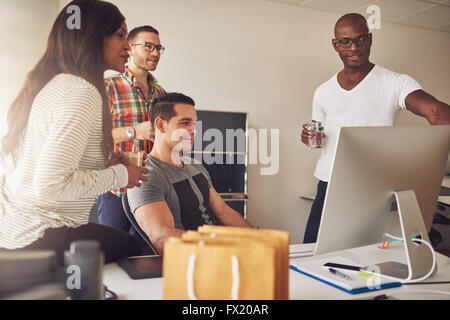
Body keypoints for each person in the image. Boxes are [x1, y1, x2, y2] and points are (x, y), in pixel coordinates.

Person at [0, 0, 149, 264]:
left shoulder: (55, 84)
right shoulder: (82, 92)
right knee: (134, 249)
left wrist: (106, 163)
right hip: (37, 234)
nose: (128, 46)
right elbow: (49, 186)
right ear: (91, 36)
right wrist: (120, 174)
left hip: (12, 230)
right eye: (120, 35)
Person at [301, 13, 450, 244]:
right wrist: (312, 137)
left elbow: (435, 112)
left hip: (372, 188)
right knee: (313, 250)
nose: (354, 47)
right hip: (328, 184)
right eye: (345, 41)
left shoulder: (395, 82)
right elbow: (319, 139)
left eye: (360, 39)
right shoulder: (323, 91)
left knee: (366, 254)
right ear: (335, 44)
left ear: (370, 39)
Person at [127, 93, 253, 254]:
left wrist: (260, 241)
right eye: (185, 123)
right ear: (160, 125)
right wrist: (221, 245)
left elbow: (224, 212)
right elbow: (162, 237)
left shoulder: (195, 165)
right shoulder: (145, 175)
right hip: (191, 259)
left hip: (216, 251)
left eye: (194, 124)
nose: (193, 131)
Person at [96, 25, 165, 249]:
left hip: (149, 189)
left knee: (147, 255)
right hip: (116, 189)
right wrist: (134, 131)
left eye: (158, 48)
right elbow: (95, 137)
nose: (155, 53)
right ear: (130, 49)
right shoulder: (109, 88)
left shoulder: (161, 93)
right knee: (111, 254)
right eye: (148, 46)